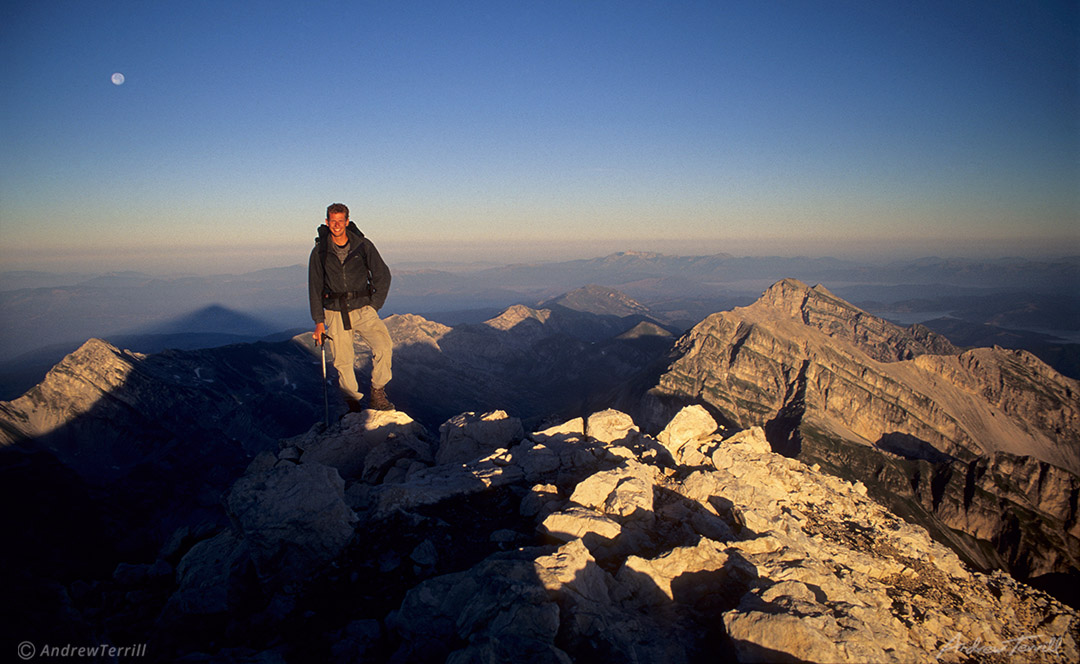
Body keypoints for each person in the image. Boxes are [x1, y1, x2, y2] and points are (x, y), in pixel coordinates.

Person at [308, 202, 395, 411]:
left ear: (347, 221)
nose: (337, 225)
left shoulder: (363, 246)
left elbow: (383, 275)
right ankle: (354, 406)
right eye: (333, 221)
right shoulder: (320, 251)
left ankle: (377, 393)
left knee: (384, 346)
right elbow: (315, 287)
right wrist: (319, 323)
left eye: (340, 220)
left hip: (364, 308)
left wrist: (374, 306)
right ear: (327, 222)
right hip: (335, 312)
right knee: (343, 362)